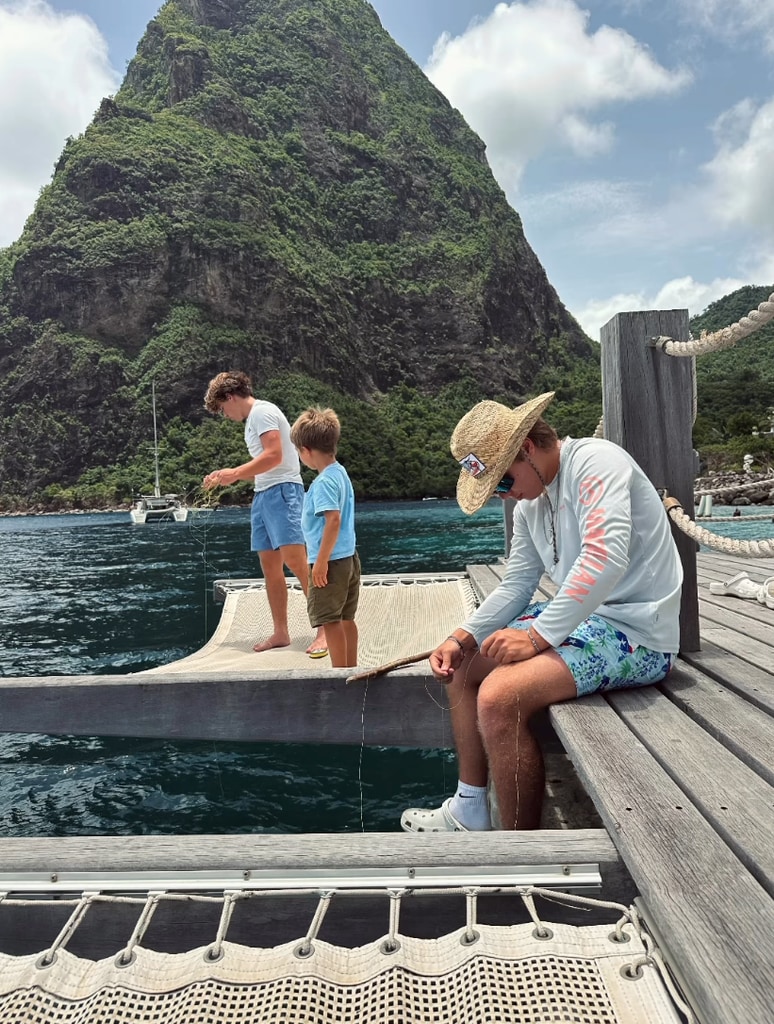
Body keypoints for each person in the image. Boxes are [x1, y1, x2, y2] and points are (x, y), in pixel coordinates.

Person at [401, 392, 683, 833]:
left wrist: (535, 639)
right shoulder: (531, 502)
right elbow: (517, 583)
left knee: (499, 696)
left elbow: (604, 557)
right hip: (588, 621)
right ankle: (470, 806)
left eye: (502, 482)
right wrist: (461, 636)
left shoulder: (596, 461)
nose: (502, 494)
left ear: (528, 448)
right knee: (461, 665)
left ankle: (519, 852)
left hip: (639, 632)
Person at [202, 371, 326, 657]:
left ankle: (325, 629)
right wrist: (228, 475)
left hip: (283, 491)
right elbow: (264, 461)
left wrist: (233, 473)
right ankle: (281, 632)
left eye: (222, 408)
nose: (224, 414)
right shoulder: (252, 421)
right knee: (270, 568)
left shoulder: (263, 412)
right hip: (264, 494)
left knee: (297, 563)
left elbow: (275, 456)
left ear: (230, 397)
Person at [290, 407, 360, 668]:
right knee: (346, 618)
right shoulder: (340, 473)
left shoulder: (322, 484)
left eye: (298, 452)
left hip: (331, 562)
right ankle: (353, 667)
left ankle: (340, 674)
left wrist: (319, 562)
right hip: (349, 558)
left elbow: (332, 520)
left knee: (330, 621)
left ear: (306, 450)